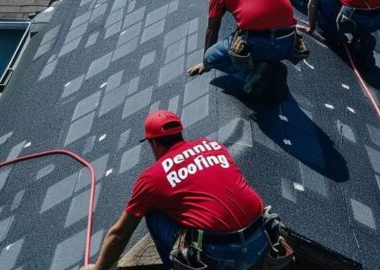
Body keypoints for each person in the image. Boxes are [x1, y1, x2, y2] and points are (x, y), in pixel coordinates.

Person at [85, 110, 270, 270]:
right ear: (180, 133)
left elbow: (119, 235)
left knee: (153, 214)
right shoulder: (213, 146)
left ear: (153, 143)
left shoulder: (152, 177)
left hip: (223, 257)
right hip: (262, 240)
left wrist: (98, 268)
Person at [187, 0, 304, 98]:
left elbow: (212, 29)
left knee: (212, 57)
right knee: (249, 34)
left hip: (257, 43)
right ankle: (271, 68)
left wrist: (205, 63)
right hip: (288, 43)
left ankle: (253, 76)